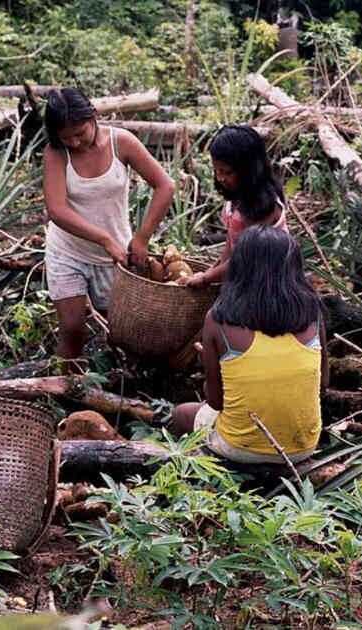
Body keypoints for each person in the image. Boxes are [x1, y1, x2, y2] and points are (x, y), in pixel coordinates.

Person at [169, 225, 326, 464]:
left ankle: (193, 472)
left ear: (239, 268)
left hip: (239, 447)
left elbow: (215, 401)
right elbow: (322, 385)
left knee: (181, 414)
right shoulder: (313, 314)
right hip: (303, 447)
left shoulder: (219, 320)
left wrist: (207, 362)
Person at [42, 87, 175, 363]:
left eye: (80, 133)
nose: (75, 142)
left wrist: (142, 238)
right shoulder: (56, 153)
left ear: (93, 116)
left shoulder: (121, 143)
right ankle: (67, 382)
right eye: (66, 138)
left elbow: (165, 185)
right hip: (68, 252)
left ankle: (117, 382)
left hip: (115, 257)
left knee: (122, 332)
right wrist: (103, 239)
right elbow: (57, 210)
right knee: (72, 329)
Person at [178, 125, 288, 288]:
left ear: (248, 170)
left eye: (227, 172)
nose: (221, 178)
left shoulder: (263, 207)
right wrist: (211, 272)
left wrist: (207, 278)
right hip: (242, 276)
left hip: (268, 283)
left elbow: (247, 259)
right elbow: (231, 244)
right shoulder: (236, 197)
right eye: (217, 171)